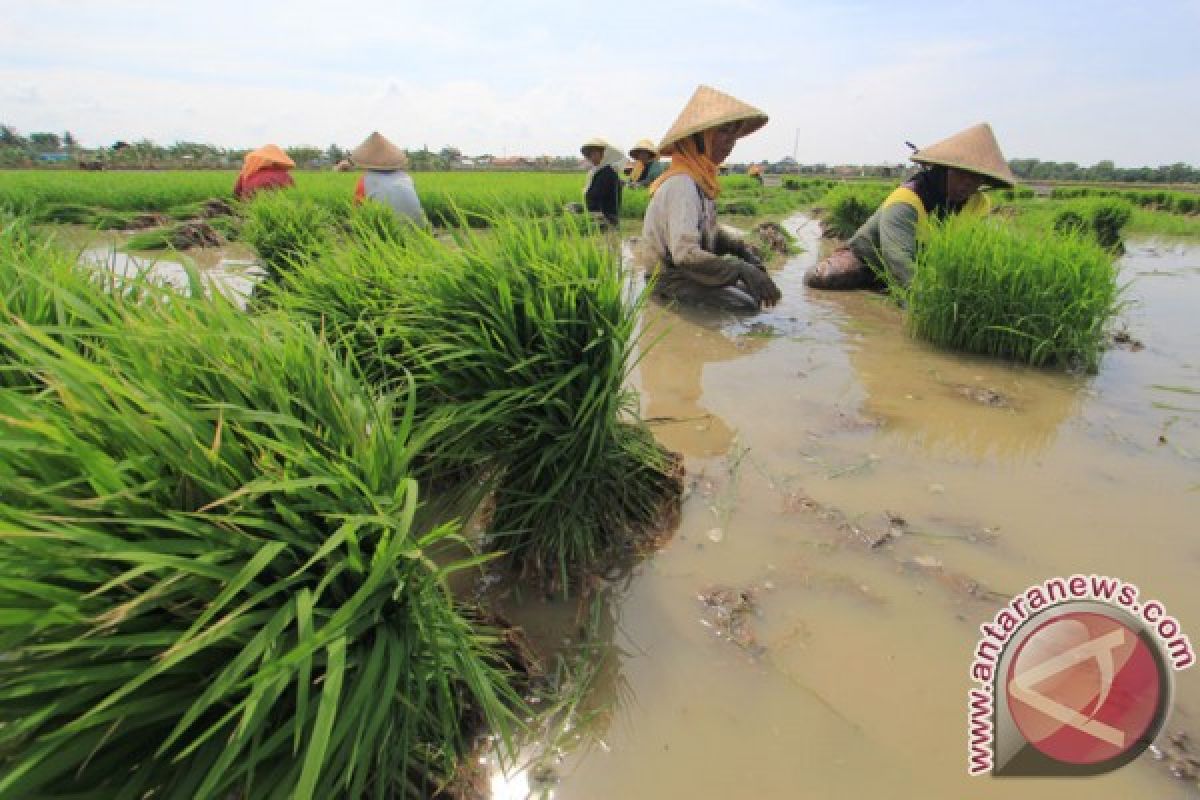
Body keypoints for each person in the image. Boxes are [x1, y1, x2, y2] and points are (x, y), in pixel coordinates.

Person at [804, 122, 1016, 290]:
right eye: (962, 176)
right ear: (944, 171)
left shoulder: (979, 204)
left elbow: (981, 250)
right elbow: (897, 259)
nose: (968, 185)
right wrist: (923, 300)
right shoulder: (906, 200)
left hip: (924, 264)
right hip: (871, 261)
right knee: (820, 278)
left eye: (976, 180)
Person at [635, 85, 781, 312]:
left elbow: (706, 227)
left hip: (689, 274)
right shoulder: (681, 184)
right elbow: (685, 254)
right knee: (745, 305)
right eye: (723, 131)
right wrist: (740, 269)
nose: (730, 141)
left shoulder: (701, 180)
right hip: (669, 280)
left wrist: (740, 249)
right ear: (697, 138)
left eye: (734, 133)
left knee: (751, 292)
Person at [350, 131, 426, 225]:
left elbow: (357, 212)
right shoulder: (407, 178)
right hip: (421, 230)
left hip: (391, 232)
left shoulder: (365, 180)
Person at [580, 138, 624, 227]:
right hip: (596, 214)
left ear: (604, 154)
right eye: (590, 154)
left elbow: (595, 195)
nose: (591, 157)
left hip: (606, 218)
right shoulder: (598, 172)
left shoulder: (608, 172)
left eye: (594, 153)